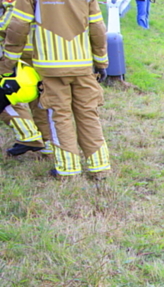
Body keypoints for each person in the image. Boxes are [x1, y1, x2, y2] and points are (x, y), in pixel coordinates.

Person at [0, 0, 111, 179]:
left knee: (59, 116)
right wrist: (101, 61)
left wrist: (8, 63)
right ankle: (100, 166)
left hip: (50, 67)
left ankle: (68, 170)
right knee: (88, 113)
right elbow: (97, 26)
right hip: (82, 66)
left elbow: (19, 25)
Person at [0, 0, 50, 158]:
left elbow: (11, 19)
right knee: (42, 101)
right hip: (46, 50)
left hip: (22, 50)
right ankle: (48, 144)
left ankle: (29, 135)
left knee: (6, 95)